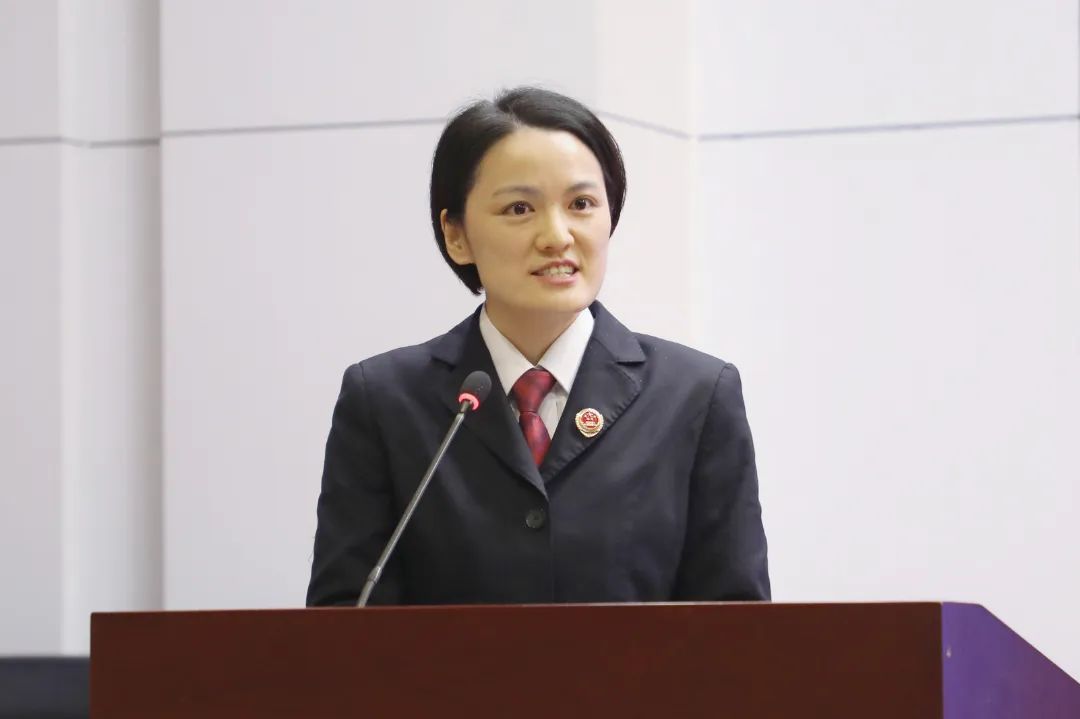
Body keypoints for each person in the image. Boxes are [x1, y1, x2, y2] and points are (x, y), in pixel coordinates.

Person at [306, 87, 770, 606]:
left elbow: (738, 630)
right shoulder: (385, 402)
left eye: (581, 204)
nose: (557, 236)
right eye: (520, 208)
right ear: (456, 234)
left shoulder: (695, 397)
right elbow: (344, 624)